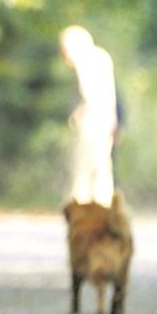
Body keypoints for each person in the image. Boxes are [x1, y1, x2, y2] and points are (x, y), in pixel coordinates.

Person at [59, 26, 118, 208]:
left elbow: (90, 94)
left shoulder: (85, 60)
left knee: (83, 172)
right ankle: (103, 211)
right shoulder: (102, 57)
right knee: (102, 170)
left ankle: (81, 213)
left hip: (91, 124)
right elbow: (111, 94)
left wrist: (78, 114)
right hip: (106, 121)